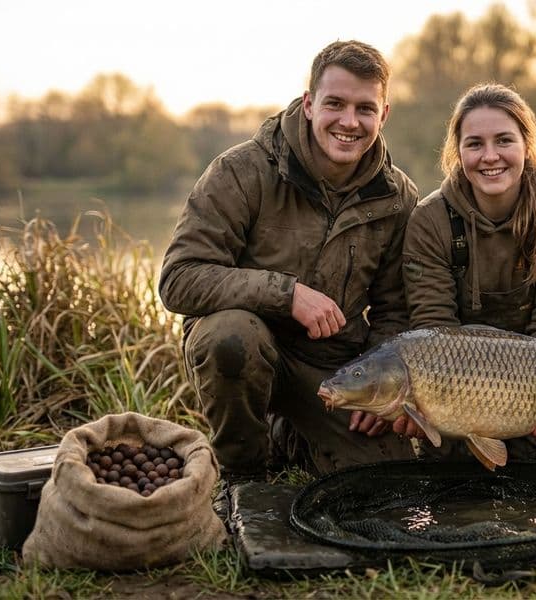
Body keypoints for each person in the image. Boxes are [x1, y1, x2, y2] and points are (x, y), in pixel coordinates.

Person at [158, 40, 419, 479]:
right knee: (231, 337)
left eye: (365, 109)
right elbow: (179, 279)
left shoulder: (398, 197)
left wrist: (381, 387)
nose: (349, 122)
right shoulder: (240, 171)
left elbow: (395, 310)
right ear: (310, 103)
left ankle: (290, 434)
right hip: (244, 350)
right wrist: (287, 294)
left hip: (332, 368)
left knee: (386, 474)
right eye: (335, 103)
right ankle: (244, 472)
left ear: (384, 115)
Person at [400, 82, 536, 463]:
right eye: (474, 144)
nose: (490, 156)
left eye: (504, 140)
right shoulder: (430, 221)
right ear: (458, 152)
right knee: (448, 478)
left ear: (527, 145)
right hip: (452, 390)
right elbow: (432, 332)